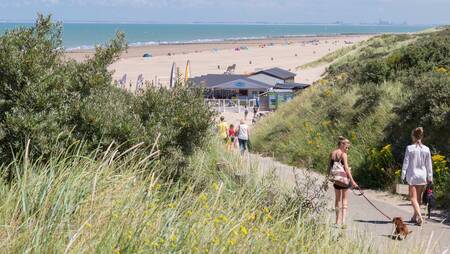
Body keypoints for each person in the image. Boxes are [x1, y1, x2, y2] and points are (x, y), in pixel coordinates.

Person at [401, 127, 433, 226]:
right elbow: (429, 164)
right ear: (421, 136)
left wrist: (403, 175)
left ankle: (419, 217)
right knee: (418, 198)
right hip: (423, 176)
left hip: (412, 175)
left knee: (413, 198)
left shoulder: (409, 148)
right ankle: (414, 217)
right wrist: (430, 177)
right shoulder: (426, 149)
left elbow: (406, 163)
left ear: (413, 136)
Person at [329, 136, 358, 227]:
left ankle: (337, 221)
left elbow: (329, 167)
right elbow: (346, 168)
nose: (347, 148)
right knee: (344, 199)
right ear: (342, 144)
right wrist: (353, 181)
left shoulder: (332, 153)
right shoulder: (343, 154)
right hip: (344, 180)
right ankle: (343, 222)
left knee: (337, 200)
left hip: (336, 180)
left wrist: (327, 179)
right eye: (346, 146)